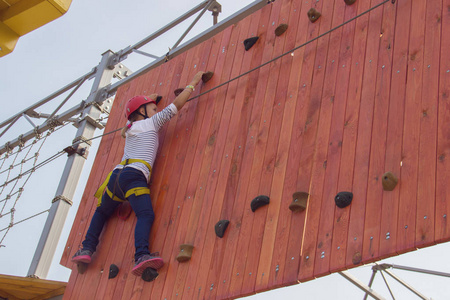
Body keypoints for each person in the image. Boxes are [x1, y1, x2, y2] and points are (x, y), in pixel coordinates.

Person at [72, 71, 206, 276]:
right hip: (134, 177)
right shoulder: (151, 122)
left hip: (116, 178)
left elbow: (139, 111)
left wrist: (149, 100)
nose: (157, 110)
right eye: (153, 108)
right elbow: (176, 106)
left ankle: (87, 249)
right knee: (145, 214)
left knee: (101, 212)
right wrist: (193, 82)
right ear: (142, 112)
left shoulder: (129, 127)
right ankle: (141, 255)